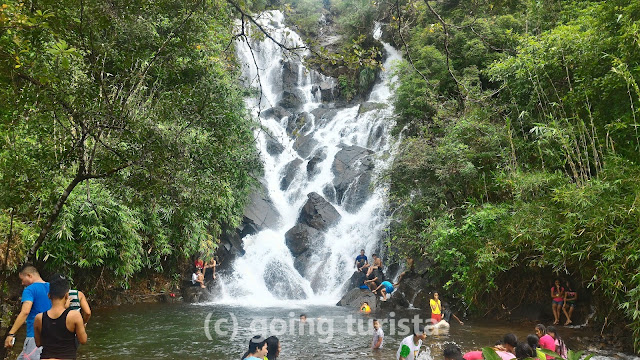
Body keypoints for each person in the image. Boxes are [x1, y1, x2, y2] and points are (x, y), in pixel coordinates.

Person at [3, 265, 52, 360]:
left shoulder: (30, 290)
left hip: (35, 336)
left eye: (22, 279)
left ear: (29, 275)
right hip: (53, 335)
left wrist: (11, 334)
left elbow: (25, 312)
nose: (22, 283)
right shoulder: (52, 287)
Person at [34, 275, 87, 359]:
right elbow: (83, 340)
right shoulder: (74, 316)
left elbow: (38, 343)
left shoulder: (39, 318)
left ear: (49, 295)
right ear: (66, 296)